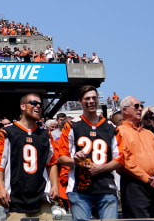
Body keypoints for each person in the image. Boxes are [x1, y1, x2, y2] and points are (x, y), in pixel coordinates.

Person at [0, 93, 58, 221]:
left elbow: (52, 162)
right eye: (33, 103)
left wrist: (55, 185)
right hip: (15, 199)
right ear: (22, 106)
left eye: (40, 104)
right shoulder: (7, 133)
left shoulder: (45, 134)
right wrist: (0, 188)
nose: (38, 106)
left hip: (41, 197)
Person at [58, 86, 121, 220]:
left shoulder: (111, 127)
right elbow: (61, 157)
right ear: (80, 101)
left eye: (94, 98)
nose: (91, 101)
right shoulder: (71, 126)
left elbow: (120, 159)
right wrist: (75, 160)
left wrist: (101, 168)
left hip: (106, 187)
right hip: (79, 189)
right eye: (87, 98)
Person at [116, 96, 154, 218]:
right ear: (125, 110)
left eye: (141, 106)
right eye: (136, 106)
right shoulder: (119, 131)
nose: (140, 108)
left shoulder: (149, 133)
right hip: (135, 185)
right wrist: (149, 180)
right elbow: (125, 161)